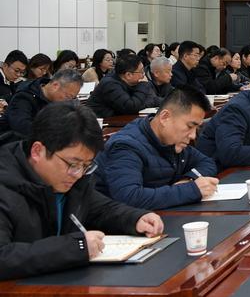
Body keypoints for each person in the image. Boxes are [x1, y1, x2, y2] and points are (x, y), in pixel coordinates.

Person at [0, 103, 164, 280]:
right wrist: (74, 247)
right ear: (37, 151)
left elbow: (101, 209)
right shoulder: (6, 186)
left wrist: (135, 218)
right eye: (73, 164)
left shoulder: (72, 180)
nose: (78, 174)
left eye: (86, 166)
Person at [95, 87, 220, 210]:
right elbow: (130, 197)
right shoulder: (126, 146)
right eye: (189, 126)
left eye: (197, 128)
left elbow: (207, 162)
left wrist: (188, 179)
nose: (193, 136)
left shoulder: (172, 140)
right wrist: (191, 190)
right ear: (165, 117)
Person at [0, 68, 83, 139]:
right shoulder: (24, 96)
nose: (68, 100)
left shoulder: (58, 100)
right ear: (55, 85)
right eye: (68, 96)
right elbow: (22, 127)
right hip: (12, 143)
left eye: (72, 97)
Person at [85, 53, 161, 118]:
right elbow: (131, 107)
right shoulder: (110, 84)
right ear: (128, 75)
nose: (143, 75)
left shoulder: (132, 82)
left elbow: (152, 99)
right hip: (99, 123)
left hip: (118, 120)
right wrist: (143, 85)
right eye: (141, 71)